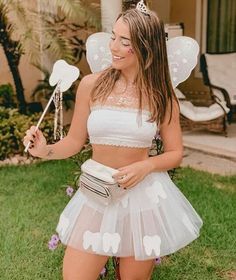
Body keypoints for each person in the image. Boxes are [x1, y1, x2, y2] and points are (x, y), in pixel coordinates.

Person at [23, 2, 203, 280]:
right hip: (97, 194)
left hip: (143, 198)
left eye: (124, 41)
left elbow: (175, 153)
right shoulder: (92, 85)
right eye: (113, 37)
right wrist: (44, 149)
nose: (113, 47)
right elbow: (73, 141)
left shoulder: (161, 95)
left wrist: (145, 167)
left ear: (146, 47)